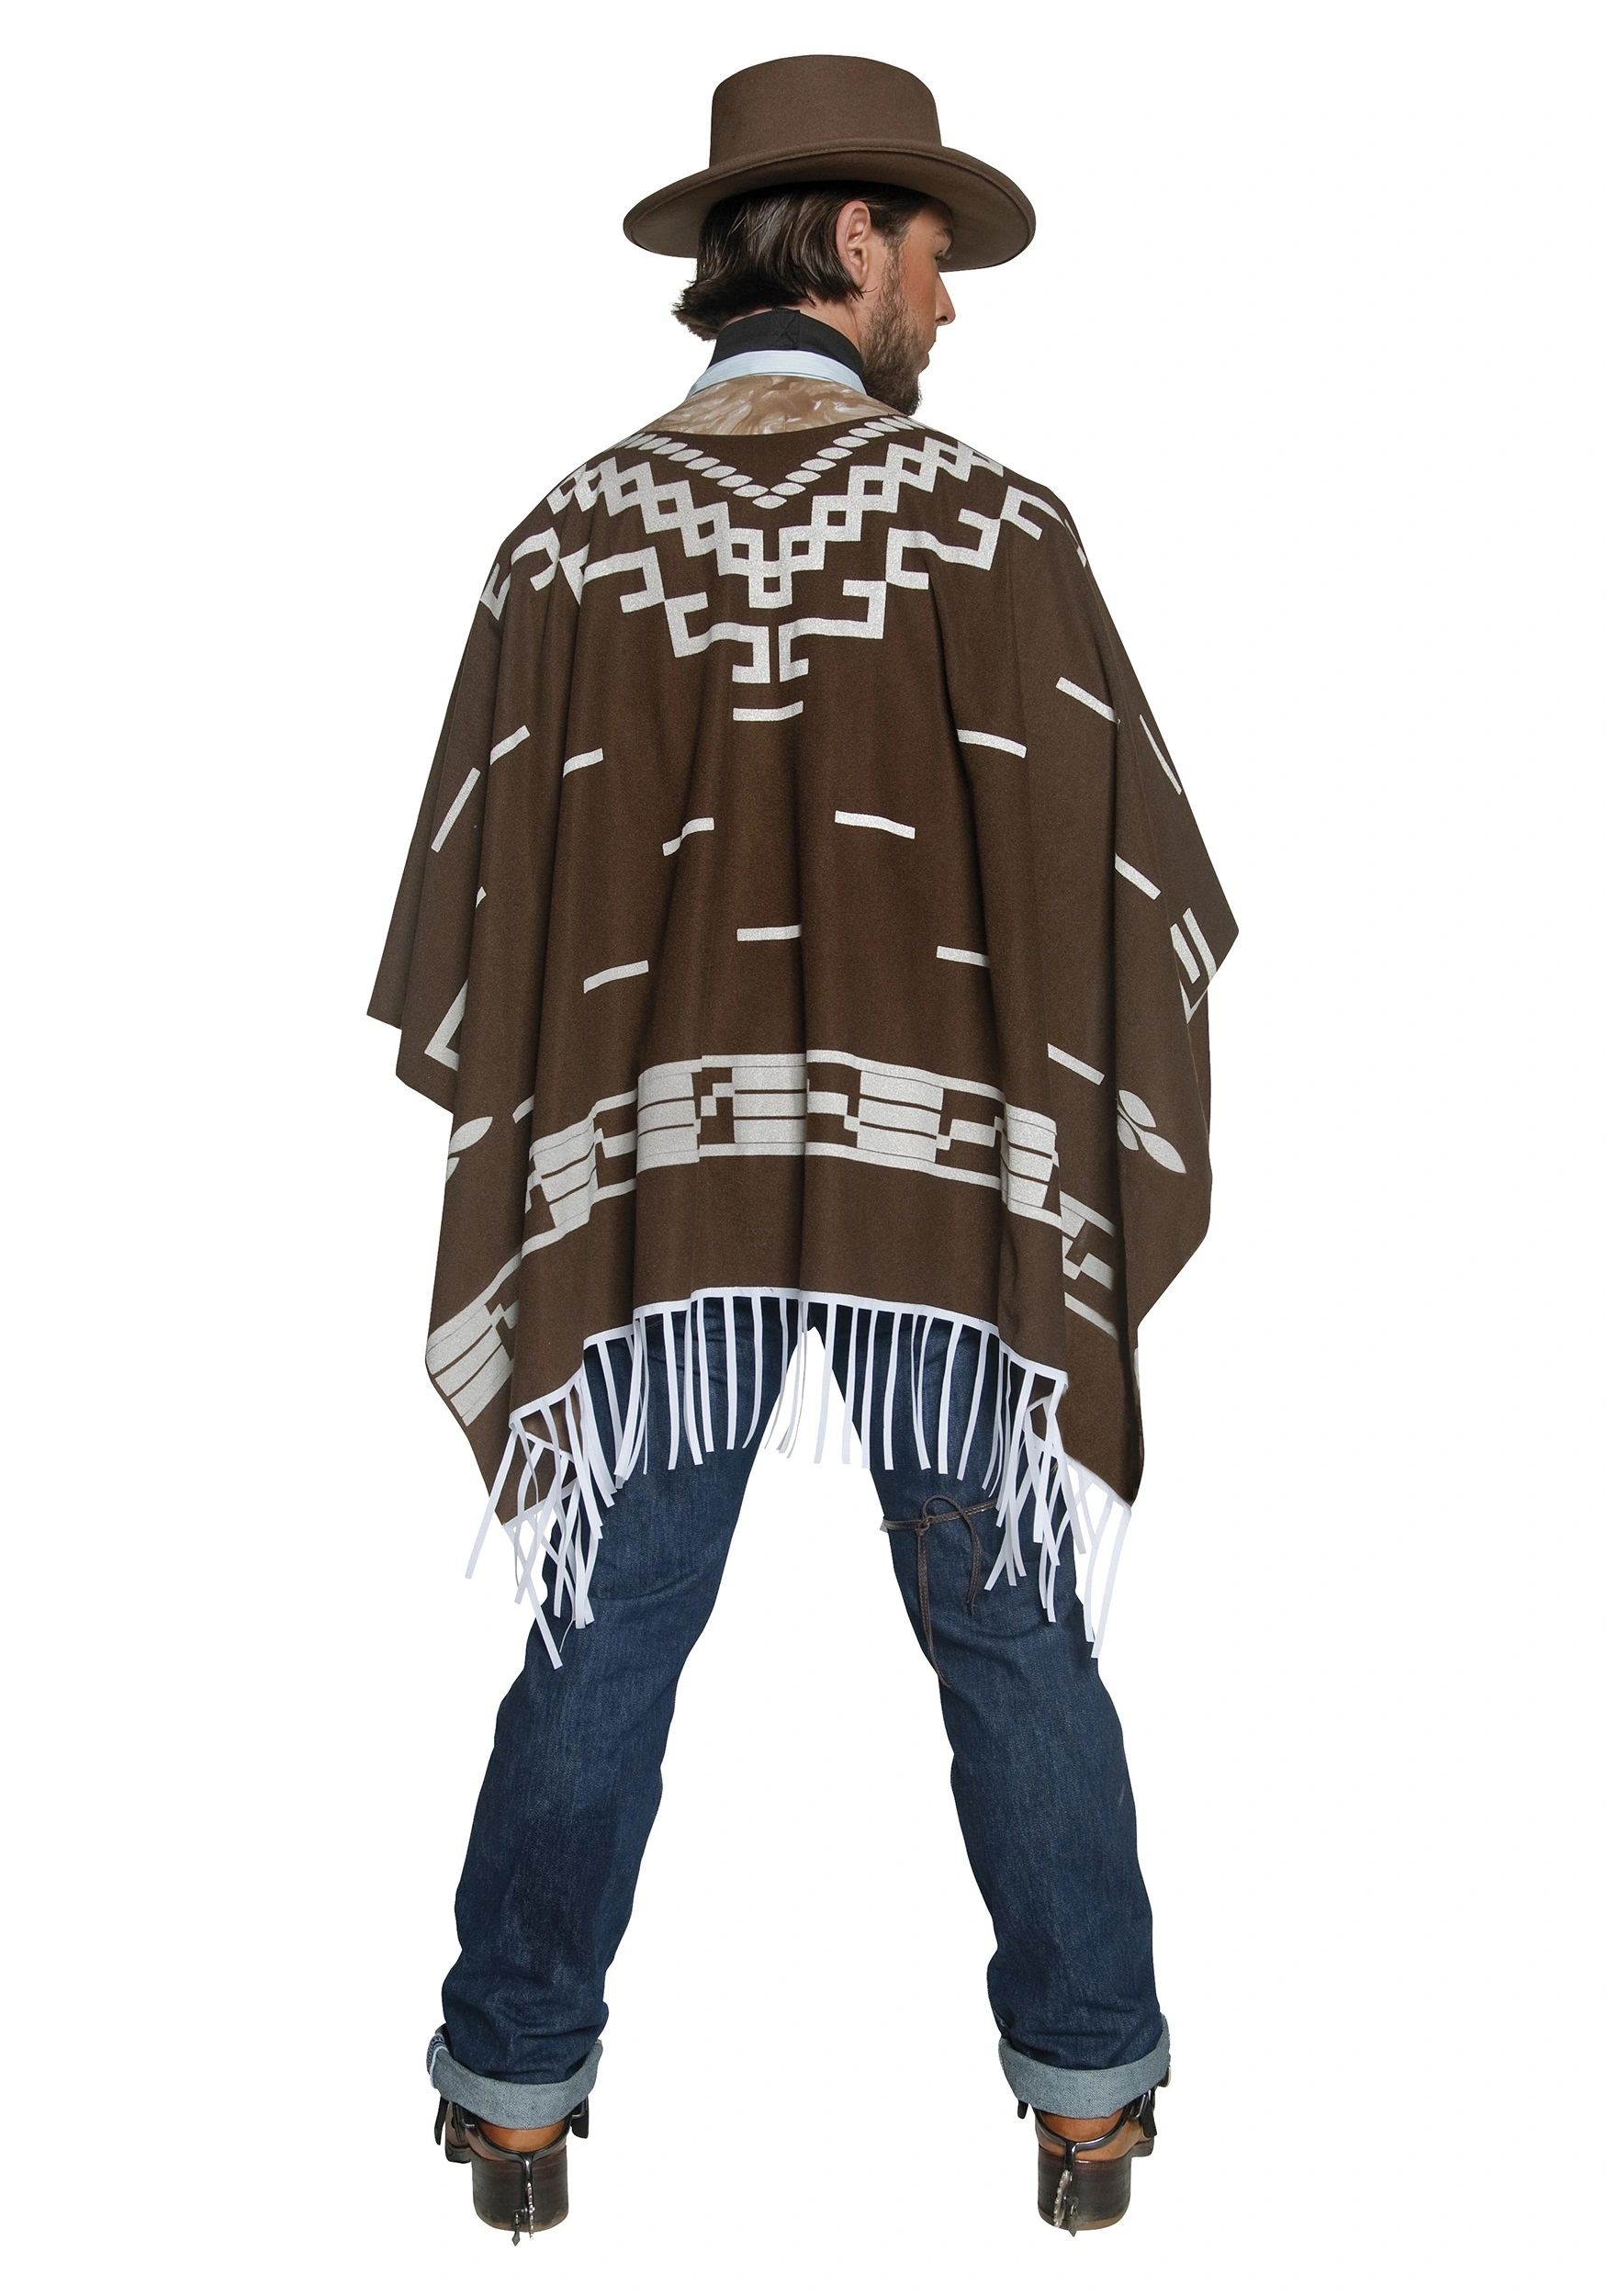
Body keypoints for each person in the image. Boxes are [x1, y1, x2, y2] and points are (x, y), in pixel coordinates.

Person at [371, 52, 1237, 2243]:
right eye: (929, 252)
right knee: (1009, 1630)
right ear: (849, 238)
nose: (946, 300)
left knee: (604, 1630)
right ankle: (1090, 2100)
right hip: (938, 1198)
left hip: (647, 1211)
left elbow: (485, 922)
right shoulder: (993, 531)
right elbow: (1119, 882)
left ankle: (512, 2099)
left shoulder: (566, 540)